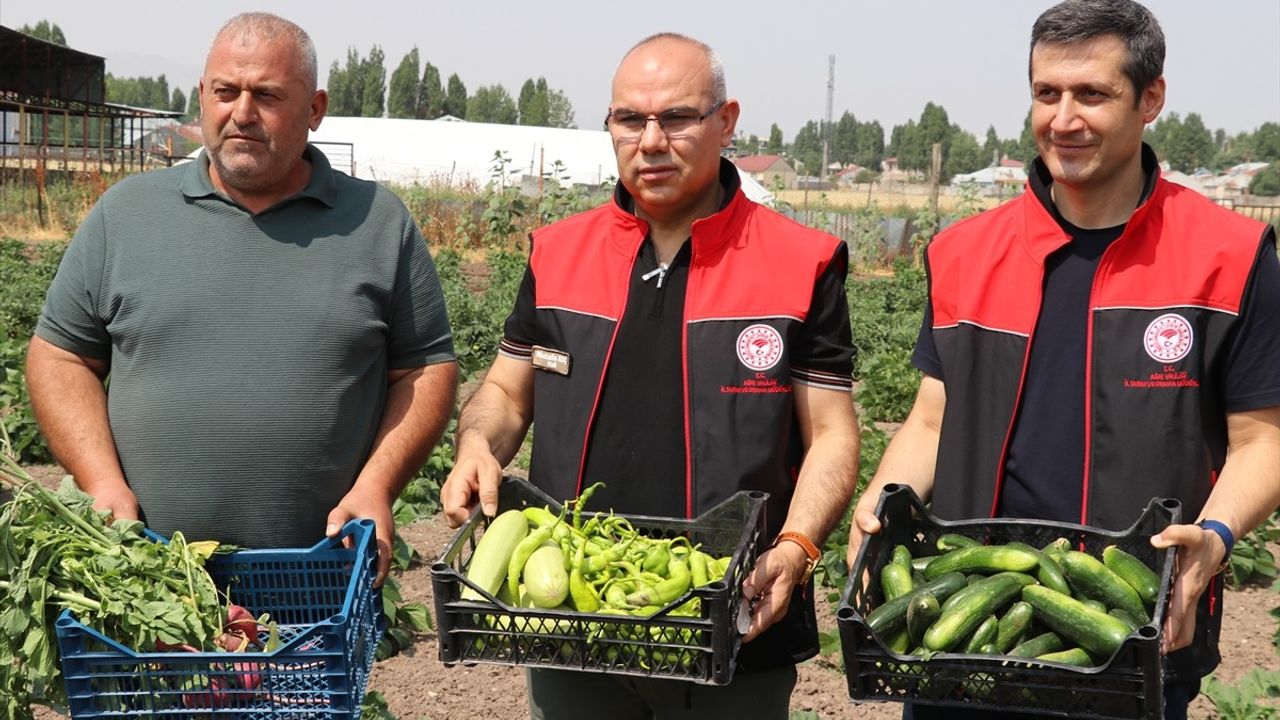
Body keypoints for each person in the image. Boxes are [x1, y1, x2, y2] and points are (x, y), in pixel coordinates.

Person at [846, 1, 1280, 718]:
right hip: (966, 631)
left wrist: (1216, 535)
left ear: (1151, 100)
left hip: (1128, 630)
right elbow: (930, 421)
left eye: (1092, 94)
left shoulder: (1229, 258)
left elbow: (1263, 442)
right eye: (1047, 93)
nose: (1064, 119)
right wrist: (882, 500)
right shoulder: (963, 253)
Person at [441, 32, 859, 720]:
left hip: (734, 617)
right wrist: (477, 446)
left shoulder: (799, 263)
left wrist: (798, 547)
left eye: (678, 118)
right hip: (572, 620)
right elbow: (504, 395)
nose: (652, 140)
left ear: (726, 122)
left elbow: (834, 437)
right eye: (630, 119)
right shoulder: (558, 253)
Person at [25, 12, 457, 586]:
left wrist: (376, 485)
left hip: (319, 581)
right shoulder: (126, 214)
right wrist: (101, 482)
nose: (242, 114)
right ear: (202, 96)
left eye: (268, 95)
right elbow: (60, 356)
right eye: (225, 92)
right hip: (146, 580)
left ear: (315, 110)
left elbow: (425, 367)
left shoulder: (378, 223)